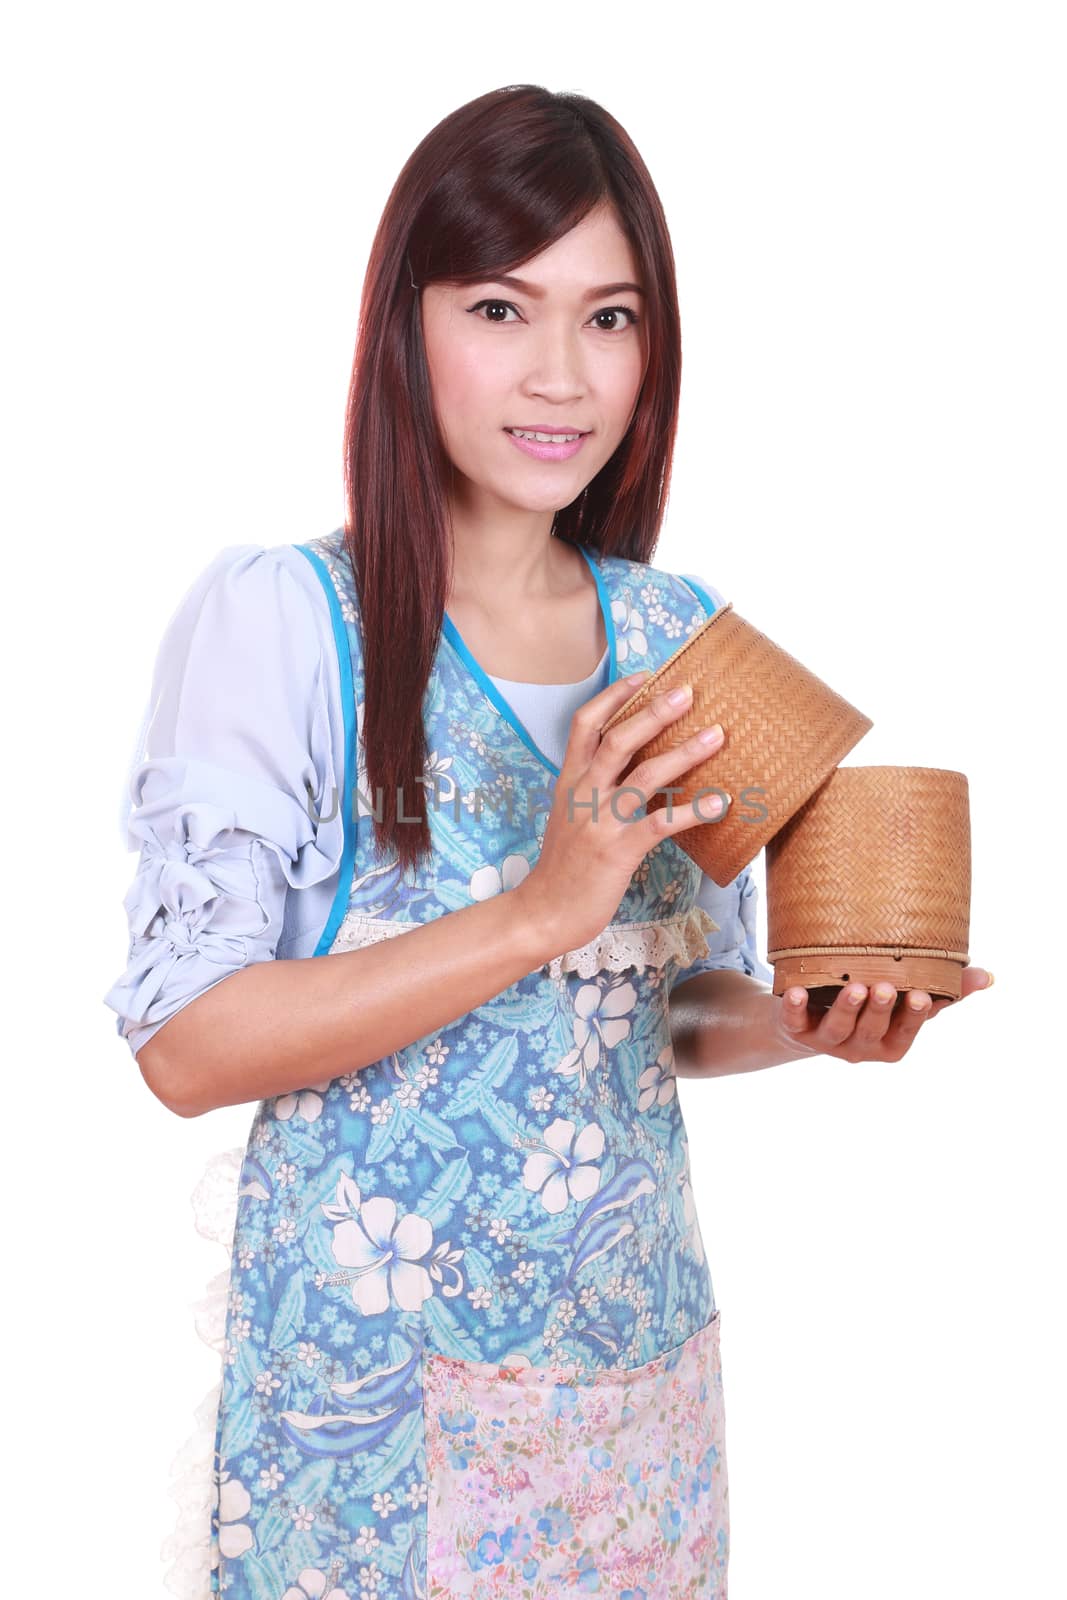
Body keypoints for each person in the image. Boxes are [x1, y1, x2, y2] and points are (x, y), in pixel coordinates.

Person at [103, 83, 992, 1600]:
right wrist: (540, 905)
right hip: (365, 1413)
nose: (563, 376)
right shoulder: (285, 623)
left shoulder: (677, 636)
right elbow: (184, 1044)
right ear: (409, 323)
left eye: (612, 318)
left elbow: (670, 1008)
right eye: (504, 309)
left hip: (631, 1393)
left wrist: (806, 1022)